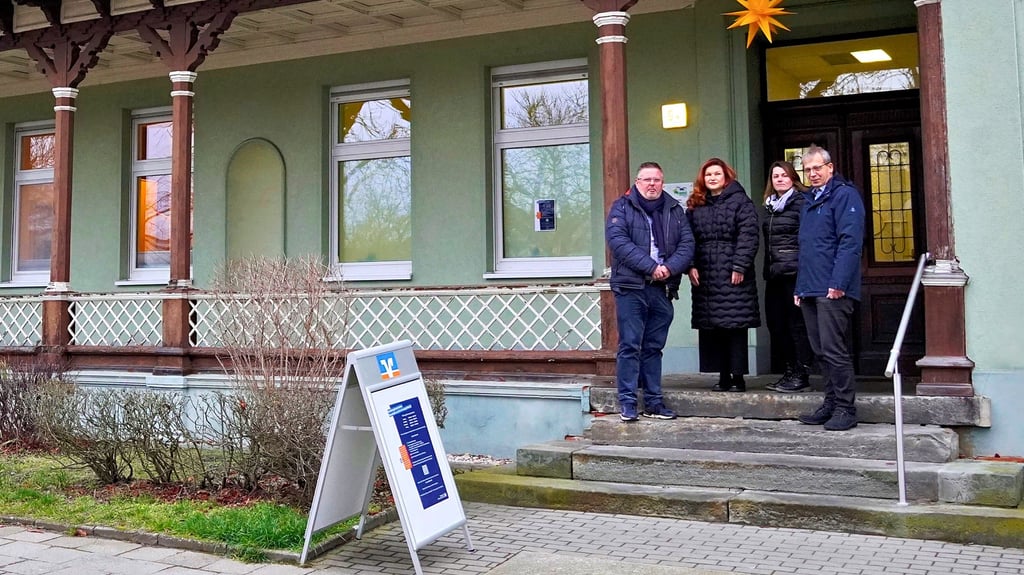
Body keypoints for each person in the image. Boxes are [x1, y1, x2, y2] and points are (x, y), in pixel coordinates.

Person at [606, 161, 695, 422]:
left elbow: (687, 245)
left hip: (662, 287)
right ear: (637, 182)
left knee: (654, 347)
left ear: (662, 183)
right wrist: (651, 267)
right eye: (647, 180)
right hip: (631, 286)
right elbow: (618, 243)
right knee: (630, 345)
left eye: (657, 180)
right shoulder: (621, 207)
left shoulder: (674, 210)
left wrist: (668, 269)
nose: (652, 184)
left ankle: (654, 402)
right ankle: (628, 402)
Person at [794, 145, 865, 431]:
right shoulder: (809, 200)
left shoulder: (845, 195)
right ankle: (831, 403)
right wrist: (800, 287)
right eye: (808, 169)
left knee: (834, 349)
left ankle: (846, 408)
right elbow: (807, 248)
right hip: (810, 287)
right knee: (820, 349)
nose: (812, 174)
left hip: (834, 288)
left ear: (830, 168)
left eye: (817, 168)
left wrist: (838, 283)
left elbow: (850, 242)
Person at [686, 158, 760, 393]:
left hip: (732, 273)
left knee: (735, 325)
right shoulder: (696, 205)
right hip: (706, 274)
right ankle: (722, 376)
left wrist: (739, 266)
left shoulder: (741, 202)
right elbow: (688, 239)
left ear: (726, 176)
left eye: (717, 173)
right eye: (708, 174)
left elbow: (748, 235)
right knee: (713, 327)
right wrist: (690, 265)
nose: (712, 178)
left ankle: (738, 377)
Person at [761, 161, 814, 393]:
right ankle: (789, 371)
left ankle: (801, 373)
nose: (780, 179)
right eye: (775, 176)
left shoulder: (801, 203)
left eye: (784, 175)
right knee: (776, 324)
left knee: (796, 325)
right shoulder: (770, 206)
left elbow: (807, 240)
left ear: (793, 178)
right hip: (774, 274)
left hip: (794, 273)